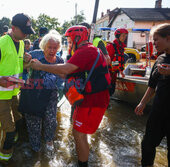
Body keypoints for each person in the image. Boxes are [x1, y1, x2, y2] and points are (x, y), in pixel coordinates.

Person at [31, 26, 110, 167]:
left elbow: (65, 69)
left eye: (68, 39)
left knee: (78, 133)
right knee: (80, 132)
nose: (68, 42)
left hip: (91, 100)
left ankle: (82, 164)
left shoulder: (85, 51)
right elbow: (65, 73)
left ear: (77, 38)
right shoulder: (90, 49)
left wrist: (41, 66)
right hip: (94, 98)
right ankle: (82, 161)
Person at [0, 13, 35, 163]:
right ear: (13, 28)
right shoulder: (0, 44)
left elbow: (15, 66)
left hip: (14, 93)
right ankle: (4, 160)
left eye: (28, 31)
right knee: (8, 132)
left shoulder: (21, 43)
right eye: (24, 31)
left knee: (18, 122)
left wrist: (26, 60)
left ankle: (11, 148)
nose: (26, 34)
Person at [22, 30, 64, 153]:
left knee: (51, 120)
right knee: (34, 122)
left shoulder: (60, 61)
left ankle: (49, 140)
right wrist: (26, 61)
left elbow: (62, 78)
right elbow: (22, 67)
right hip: (34, 94)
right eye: (49, 47)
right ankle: (35, 147)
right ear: (43, 46)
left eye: (55, 48)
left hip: (51, 94)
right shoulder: (35, 54)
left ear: (58, 48)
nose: (52, 50)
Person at [134, 23, 170, 167]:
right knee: (147, 145)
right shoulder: (160, 59)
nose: (153, 43)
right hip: (158, 112)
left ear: (168, 38)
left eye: (156, 40)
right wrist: (142, 103)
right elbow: (152, 86)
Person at [106, 28, 128, 96]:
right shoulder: (110, 47)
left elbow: (119, 61)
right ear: (118, 36)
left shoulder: (120, 48)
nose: (125, 38)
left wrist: (121, 71)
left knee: (111, 92)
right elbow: (105, 62)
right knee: (107, 94)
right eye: (123, 35)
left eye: (125, 36)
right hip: (108, 76)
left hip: (114, 75)